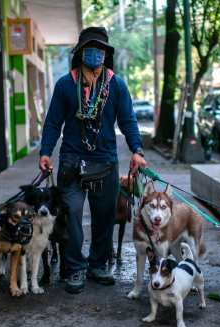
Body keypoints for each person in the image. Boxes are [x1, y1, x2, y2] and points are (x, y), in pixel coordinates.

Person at [39, 27, 147, 294]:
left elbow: (128, 120)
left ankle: (99, 264)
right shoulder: (66, 84)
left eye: (100, 50)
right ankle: (75, 268)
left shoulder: (117, 85)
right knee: (73, 214)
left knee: (104, 216)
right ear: (80, 52)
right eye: (90, 49)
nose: (95, 54)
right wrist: (45, 151)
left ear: (106, 54)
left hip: (105, 162)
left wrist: (137, 150)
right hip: (71, 162)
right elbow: (53, 122)